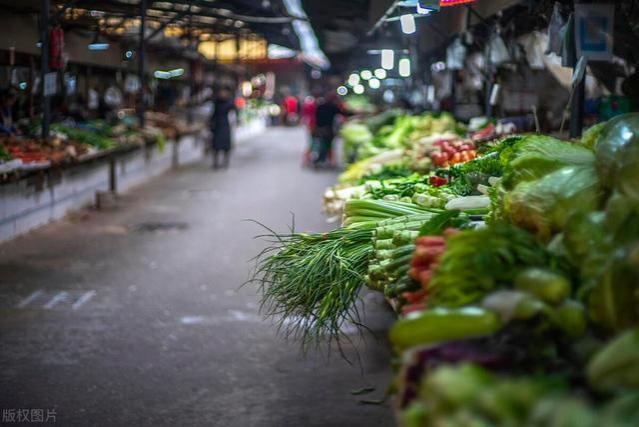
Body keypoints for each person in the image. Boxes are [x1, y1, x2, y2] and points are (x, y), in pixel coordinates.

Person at [312, 92, 351, 167]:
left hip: (320, 129)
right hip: (327, 129)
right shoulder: (332, 107)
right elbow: (344, 113)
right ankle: (322, 160)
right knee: (327, 146)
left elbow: (316, 118)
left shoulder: (320, 106)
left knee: (322, 145)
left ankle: (322, 160)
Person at [210, 87, 236, 169]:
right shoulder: (216, 103)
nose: (222, 94)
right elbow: (213, 114)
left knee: (226, 147)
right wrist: (210, 123)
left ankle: (225, 163)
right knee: (216, 147)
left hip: (225, 126)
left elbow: (234, 114)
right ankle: (216, 163)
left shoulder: (230, 103)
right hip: (217, 126)